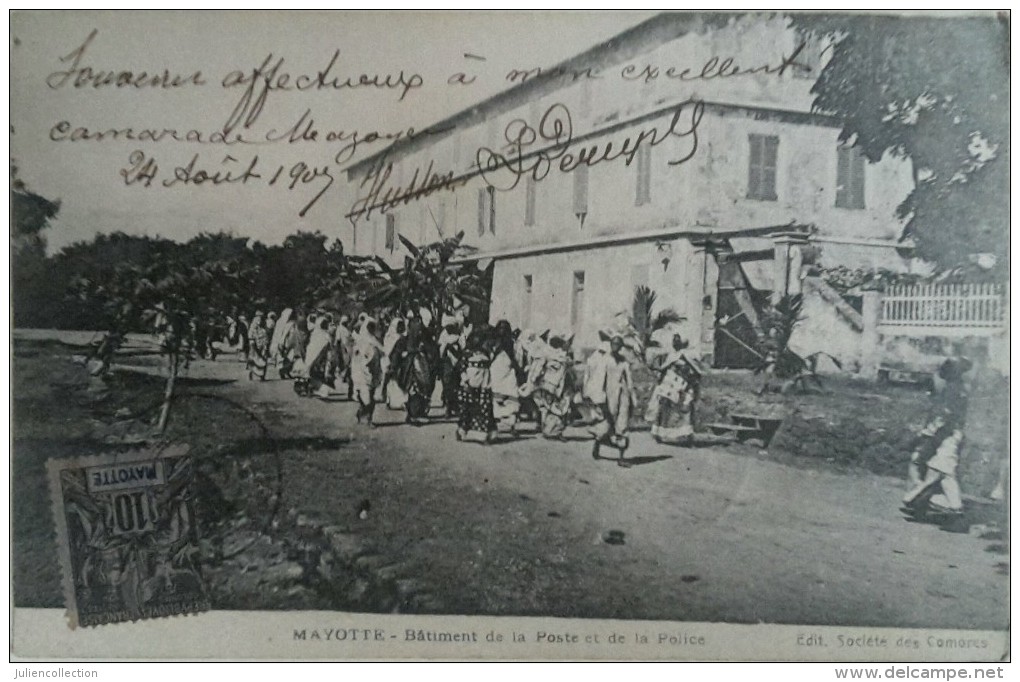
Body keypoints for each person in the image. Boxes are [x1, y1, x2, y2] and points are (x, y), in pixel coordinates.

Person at [901, 357, 973, 516]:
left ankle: (951, 506)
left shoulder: (953, 389)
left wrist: (925, 433)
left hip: (948, 433)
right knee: (934, 468)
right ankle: (918, 500)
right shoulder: (957, 388)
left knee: (940, 470)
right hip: (947, 433)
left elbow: (944, 417)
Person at [587, 334, 638, 466]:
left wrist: (632, 398)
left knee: (622, 425)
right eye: (613, 344)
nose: (615, 347)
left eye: (618, 344)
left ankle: (621, 457)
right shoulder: (605, 360)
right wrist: (600, 398)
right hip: (608, 398)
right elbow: (599, 381)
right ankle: (597, 444)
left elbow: (629, 381)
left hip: (623, 397)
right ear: (610, 345)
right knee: (605, 425)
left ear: (621, 347)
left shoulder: (624, 362)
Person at [645, 334, 702, 445]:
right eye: (673, 341)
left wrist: (691, 380)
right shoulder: (671, 355)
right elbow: (663, 368)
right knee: (664, 407)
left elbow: (696, 370)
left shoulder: (688, 355)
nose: (674, 343)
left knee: (685, 409)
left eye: (677, 341)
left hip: (683, 384)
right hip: (670, 384)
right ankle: (659, 433)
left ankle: (687, 435)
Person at [525, 333, 575, 439]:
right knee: (549, 407)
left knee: (562, 407)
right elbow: (538, 367)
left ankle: (556, 431)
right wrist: (534, 379)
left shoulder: (563, 353)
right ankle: (548, 430)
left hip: (562, 384)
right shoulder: (545, 352)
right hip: (549, 384)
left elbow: (569, 366)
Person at [389, 317, 439, 424]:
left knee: (423, 392)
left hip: (424, 371)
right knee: (414, 391)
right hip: (409, 370)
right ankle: (414, 414)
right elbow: (395, 354)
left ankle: (419, 413)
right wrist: (395, 366)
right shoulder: (404, 341)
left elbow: (434, 354)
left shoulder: (426, 340)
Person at [456, 329, 497, 443]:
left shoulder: (487, 353)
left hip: (484, 384)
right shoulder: (468, 353)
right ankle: (463, 431)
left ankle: (484, 434)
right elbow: (462, 367)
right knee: (468, 409)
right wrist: (465, 380)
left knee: (484, 409)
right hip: (470, 384)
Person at [489, 320, 525, 436]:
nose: (502, 331)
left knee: (506, 398)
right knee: (506, 398)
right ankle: (508, 426)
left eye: (504, 328)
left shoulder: (503, 343)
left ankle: (509, 426)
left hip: (505, 372)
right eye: (501, 328)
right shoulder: (505, 343)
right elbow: (515, 359)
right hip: (499, 372)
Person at [351, 318, 385, 426]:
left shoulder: (374, 340)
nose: (371, 328)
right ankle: (365, 417)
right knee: (365, 396)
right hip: (362, 371)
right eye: (369, 326)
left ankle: (366, 416)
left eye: (373, 326)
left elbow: (382, 353)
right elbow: (356, 357)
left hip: (373, 371)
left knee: (371, 395)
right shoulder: (361, 340)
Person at [438, 318, 464, 417]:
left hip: (456, 362)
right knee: (447, 384)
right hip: (447, 361)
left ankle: (454, 406)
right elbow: (440, 346)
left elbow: (462, 349)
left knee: (456, 385)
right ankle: (448, 407)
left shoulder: (459, 335)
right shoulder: (444, 334)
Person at [246, 311, 269, 381]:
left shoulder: (264, 325)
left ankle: (262, 375)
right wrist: (252, 343)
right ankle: (252, 373)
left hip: (263, 344)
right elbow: (250, 335)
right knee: (254, 359)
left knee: (263, 359)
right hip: (255, 344)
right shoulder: (253, 325)